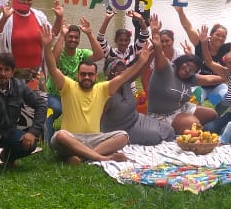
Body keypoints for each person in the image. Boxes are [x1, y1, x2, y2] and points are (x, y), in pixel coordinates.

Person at [41, 24, 153, 163]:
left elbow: (124, 76)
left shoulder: (102, 89)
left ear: (96, 76)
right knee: (60, 135)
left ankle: (82, 157)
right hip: (71, 139)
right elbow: (52, 68)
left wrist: (141, 61)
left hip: (94, 139)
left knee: (123, 136)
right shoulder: (68, 86)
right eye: (83, 74)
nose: (87, 77)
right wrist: (46, 47)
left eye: (90, 74)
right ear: (78, 75)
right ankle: (100, 157)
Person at [173, 5, 231, 106]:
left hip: (217, 86)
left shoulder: (227, 49)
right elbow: (188, 27)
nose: (220, 38)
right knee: (194, 100)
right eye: (217, 35)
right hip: (199, 85)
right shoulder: (200, 42)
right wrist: (180, 12)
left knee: (226, 100)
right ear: (211, 35)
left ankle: (217, 115)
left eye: (223, 36)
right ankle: (196, 113)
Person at [44, 17, 103, 142]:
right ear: (65, 38)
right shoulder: (60, 51)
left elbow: (99, 55)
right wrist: (61, 35)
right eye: (70, 37)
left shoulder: (82, 54)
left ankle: (81, 136)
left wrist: (89, 34)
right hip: (54, 94)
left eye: (76, 37)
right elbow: (52, 61)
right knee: (54, 109)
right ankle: (47, 141)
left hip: (73, 96)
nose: (73, 40)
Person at [100, 57, 175, 146]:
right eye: (117, 73)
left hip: (137, 119)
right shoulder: (106, 93)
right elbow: (98, 118)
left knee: (168, 129)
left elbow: (143, 67)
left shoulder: (126, 82)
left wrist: (154, 49)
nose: (121, 75)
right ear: (109, 74)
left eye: (123, 72)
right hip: (122, 130)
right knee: (158, 136)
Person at [146, 47, 221, 135]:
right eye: (187, 65)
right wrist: (157, 43)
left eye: (192, 70)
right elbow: (159, 54)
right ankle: (186, 129)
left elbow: (211, 80)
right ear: (182, 61)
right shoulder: (166, 69)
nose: (188, 70)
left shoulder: (190, 78)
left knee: (212, 114)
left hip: (182, 108)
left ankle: (194, 130)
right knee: (193, 124)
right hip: (162, 115)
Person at [0, 0, 58, 81]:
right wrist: (4, 19)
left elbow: (52, 35)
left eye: (29, 0)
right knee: (12, 95)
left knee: (36, 95)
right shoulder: (7, 15)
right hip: (11, 72)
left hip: (35, 73)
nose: (26, 2)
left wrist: (59, 18)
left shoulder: (39, 16)